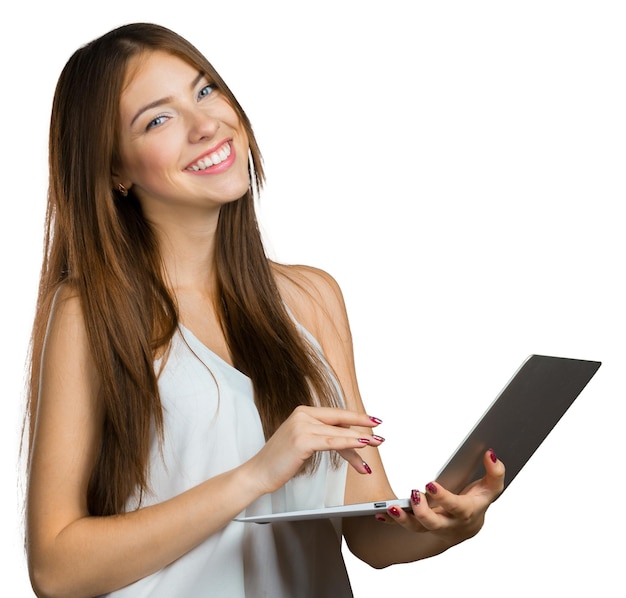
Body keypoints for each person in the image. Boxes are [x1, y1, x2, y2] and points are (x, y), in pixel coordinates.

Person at [24, 22, 505, 598]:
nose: (206, 125)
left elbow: (369, 537)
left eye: (205, 91)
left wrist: (449, 525)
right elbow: (55, 570)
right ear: (115, 171)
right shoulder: (92, 313)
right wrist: (256, 475)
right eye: (158, 118)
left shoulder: (312, 298)